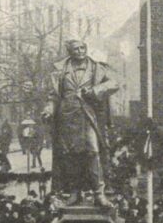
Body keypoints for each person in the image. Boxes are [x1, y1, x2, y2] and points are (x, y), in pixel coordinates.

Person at [42, 39, 119, 207]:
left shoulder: (96, 68)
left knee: (93, 152)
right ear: (69, 51)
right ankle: (75, 192)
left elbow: (114, 83)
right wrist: (48, 110)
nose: (80, 51)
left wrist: (93, 91)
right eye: (75, 49)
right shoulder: (60, 70)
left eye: (82, 47)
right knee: (70, 155)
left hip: (88, 116)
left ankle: (99, 193)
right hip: (67, 117)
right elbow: (53, 96)